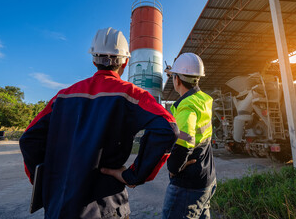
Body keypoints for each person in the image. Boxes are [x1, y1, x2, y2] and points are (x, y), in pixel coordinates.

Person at [19, 27, 178, 219]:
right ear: (125, 62)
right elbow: (167, 127)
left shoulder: (62, 96)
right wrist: (133, 175)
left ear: (94, 60)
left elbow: (28, 139)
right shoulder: (130, 94)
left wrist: (44, 181)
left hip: (59, 207)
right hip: (105, 207)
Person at [162, 53, 217, 219]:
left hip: (188, 185)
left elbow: (184, 142)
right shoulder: (202, 101)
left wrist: (173, 168)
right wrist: (173, 72)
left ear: (177, 80)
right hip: (207, 177)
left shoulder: (186, 107)